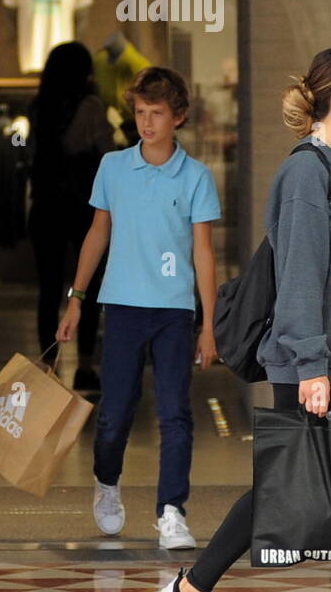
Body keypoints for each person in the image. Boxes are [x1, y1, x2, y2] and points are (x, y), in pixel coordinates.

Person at [150, 47, 331, 592]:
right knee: (285, 488)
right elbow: (301, 272)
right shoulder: (306, 174)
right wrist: (312, 365)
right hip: (312, 361)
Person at [57, 66, 221, 550]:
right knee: (114, 414)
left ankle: (172, 511)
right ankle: (106, 482)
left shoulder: (196, 177)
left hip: (173, 312)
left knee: (175, 415)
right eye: (140, 113)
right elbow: (97, 233)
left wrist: (209, 324)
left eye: (157, 114)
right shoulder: (112, 167)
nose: (146, 123)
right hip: (122, 307)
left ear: (179, 118)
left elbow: (203, 253)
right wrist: (76, 299)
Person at [28, 41, 114, 389]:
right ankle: (85, 366)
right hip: (82, 205)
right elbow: (106, 149)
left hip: (45, 206)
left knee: (48, 287)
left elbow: (32, 151)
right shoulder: (91, 105)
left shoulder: (39, 107)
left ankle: (48, 363)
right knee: (87, 285)